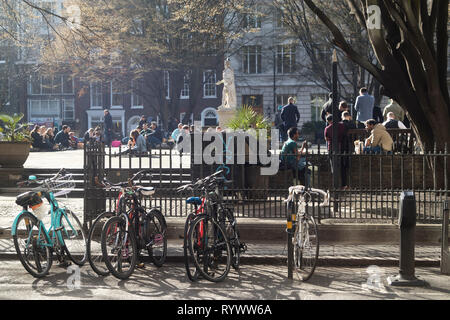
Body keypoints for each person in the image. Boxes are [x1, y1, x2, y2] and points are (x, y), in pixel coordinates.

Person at [324, 115, 349, 188]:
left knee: (334, 167)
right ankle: (344, 184)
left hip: (331, 148)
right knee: (342, 167)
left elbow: (326, 138)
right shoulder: (342, 126)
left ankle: (335, 185)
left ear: (328, 121)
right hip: (341, 148)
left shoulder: (327, 128)